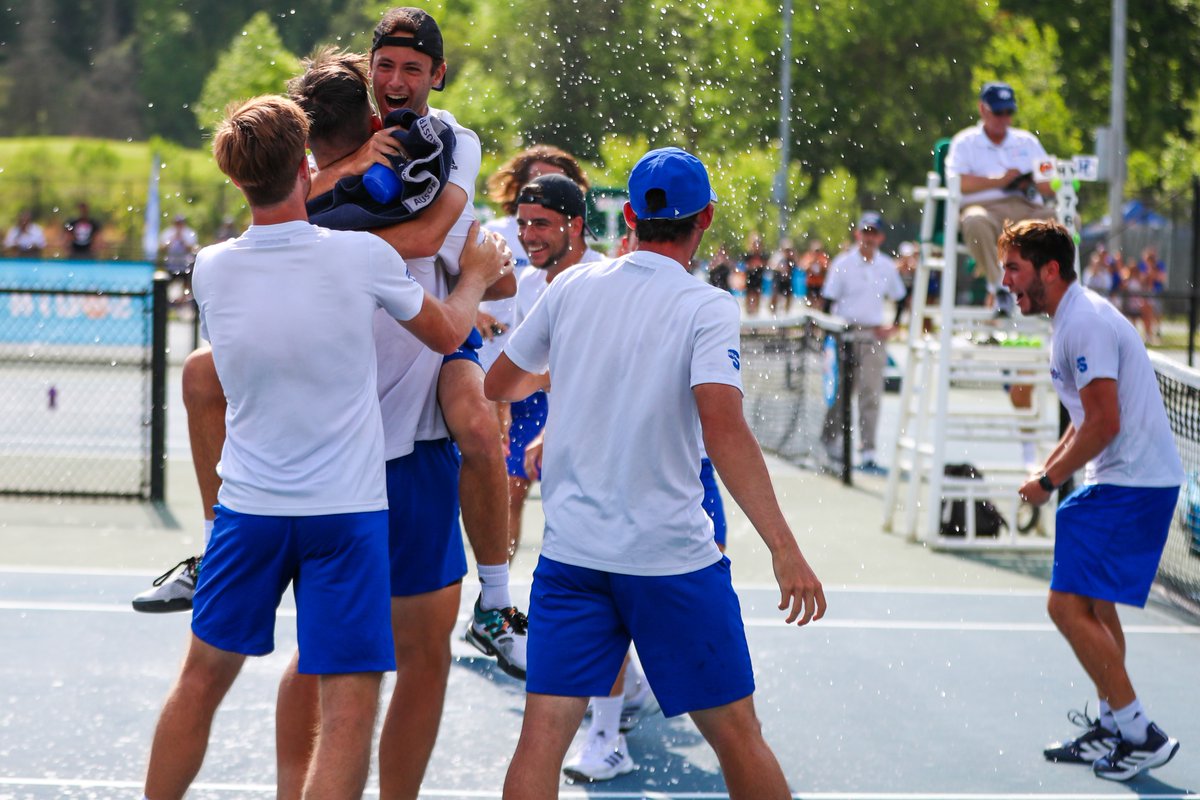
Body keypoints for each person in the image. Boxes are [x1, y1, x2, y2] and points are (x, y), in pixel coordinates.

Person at [140, 94, 502, 800]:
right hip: (345, 515)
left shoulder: (210, 268)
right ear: (307, 167)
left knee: (201, 681)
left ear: (235, 177)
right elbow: (446, 331)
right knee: (349, 704)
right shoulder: (361, 258)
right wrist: (480, 275)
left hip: (249, 511)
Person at [486, 146, 825, 800]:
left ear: (630, 215)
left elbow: (502, 381)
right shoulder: (705, 307)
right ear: (707, 219)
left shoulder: (572, 287)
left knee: (540, 741)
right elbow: (723, 429)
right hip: (669, 561)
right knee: (737, 738)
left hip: (573, 557)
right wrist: (785, 548)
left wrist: (580, 369)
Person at [1000, 219, 1183, 782]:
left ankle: (1139, 731)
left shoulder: (1083, 323)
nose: (1006, 279)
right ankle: (1111, 723)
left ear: (1049, 270)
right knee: (1097, 606)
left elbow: (1104, 422)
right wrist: (1047, 470)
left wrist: (1052, 482)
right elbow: (1084, 420)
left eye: (1014, 268)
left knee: (1065, 607)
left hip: (1131, 483)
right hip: (1125, 480)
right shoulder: (1072, 318)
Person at [499, 174, 603, 561]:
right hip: (550, 408)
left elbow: (598, 372)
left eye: (540, 223)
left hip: (597, 420)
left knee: (582, 524)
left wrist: (551, 427)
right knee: (509, 494)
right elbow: (531, 361)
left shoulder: (603, 278)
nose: (528, 235)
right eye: (522, 224)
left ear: (575, 225)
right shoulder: (526, 281)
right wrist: (503, 408)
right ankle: (497, 600)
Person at [946, 81, 1056, 307]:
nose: (1004, 118)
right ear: (982, 109)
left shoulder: (1028, 141)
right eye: (998, 111)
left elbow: (1052, 183)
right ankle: (1000, 288)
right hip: (986, 211)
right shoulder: (965, 142)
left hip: (1027, 210)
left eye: (1009, 112)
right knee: (974, 221)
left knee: (1067, 220)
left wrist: (1032, 181)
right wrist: (1000, 180)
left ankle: (1051, 289)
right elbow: (957, 182)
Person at [820, 211, 906, 473]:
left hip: (873, 334)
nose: (868, 238)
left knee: (871, 393)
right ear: (858, 234)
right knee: (841, 393)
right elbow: (828, 300)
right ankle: (830, 443)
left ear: (880, 237)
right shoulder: (843, 263)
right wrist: (828, 339)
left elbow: (900, 296)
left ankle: (867, 451)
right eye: (865, 232)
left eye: (873, 233)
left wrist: (894, 324)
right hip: (845, 333)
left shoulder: (886, 266)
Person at [159, 214, 199, 303]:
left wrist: (182, 239)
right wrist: (173, 239)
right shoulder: (167, 233)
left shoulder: (189, 233)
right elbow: (162, 248)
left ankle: (186, 303)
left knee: (188, 286)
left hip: (185, 265)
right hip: (171, 265)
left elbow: (192, 249)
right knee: (166, 285)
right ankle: (167, 303)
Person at [741, 232, 769, 317]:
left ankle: (756, 314)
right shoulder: (748, 255)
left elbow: (766, 265)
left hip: (758, 279)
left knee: (757, 296)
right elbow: (745, 266)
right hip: (750, 278)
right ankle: (748, 313)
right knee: (749, 295)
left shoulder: (763, 255)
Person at [770, 238, 800, 315]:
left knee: (789, 296)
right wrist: (780, 269)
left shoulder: (792, 257)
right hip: (778, 279)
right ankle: (773, 312)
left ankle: (786, 313)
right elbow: (772, 265)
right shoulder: (778, 256)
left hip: (787, 280)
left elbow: (798, 264)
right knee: (775, 295)